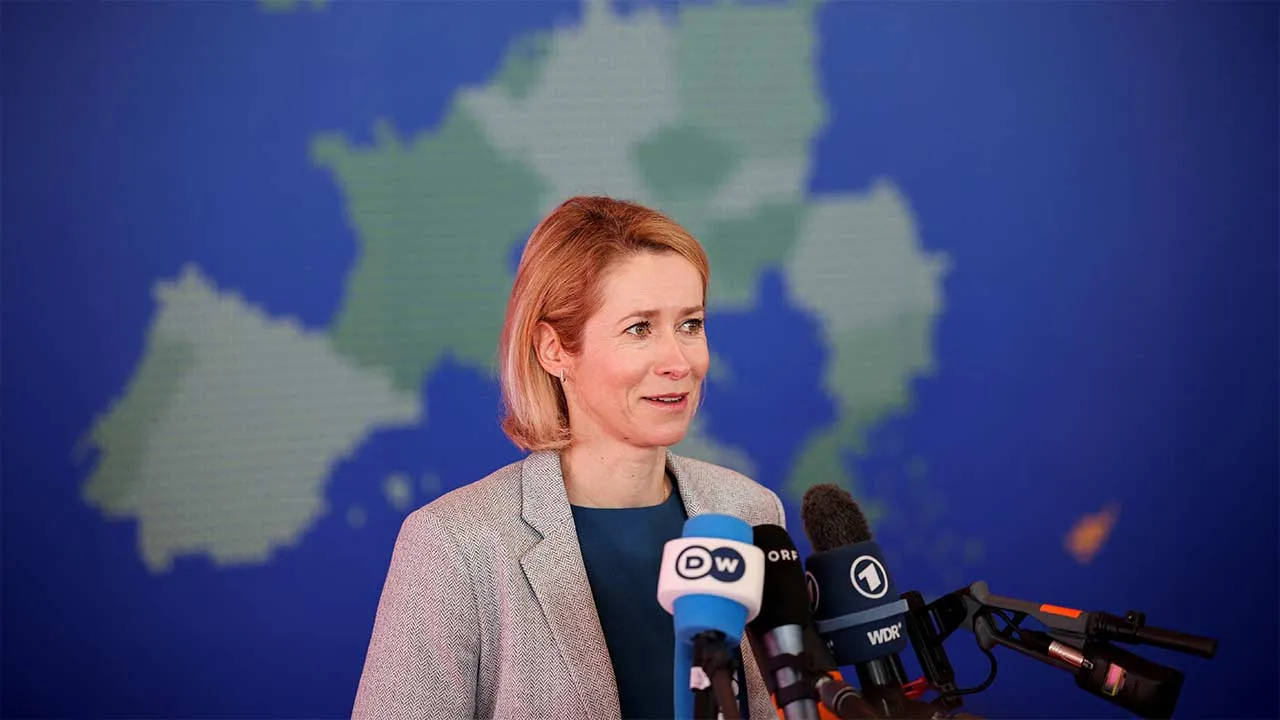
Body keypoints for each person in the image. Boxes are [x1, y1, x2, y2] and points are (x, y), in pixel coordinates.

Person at [352, 196, 787, 720]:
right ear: (554, 349)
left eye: (690, 324)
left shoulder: (750, 512)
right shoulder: (455, 544)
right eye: (639, 328)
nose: (678, 362)